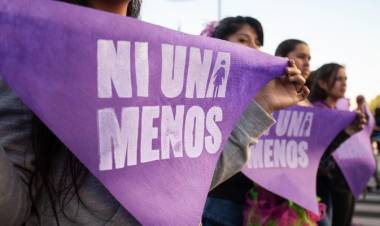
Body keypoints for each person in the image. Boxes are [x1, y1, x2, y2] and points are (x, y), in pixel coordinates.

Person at [0, 8, 308, 226]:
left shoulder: (163, 63)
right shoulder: (29, 49)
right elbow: (12, 210)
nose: (254, 49)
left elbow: (186, 181)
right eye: (243, 41)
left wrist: (264, 104)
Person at [201, 17, 309, 226]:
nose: (253, 48)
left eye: (257, 43)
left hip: (251, 204)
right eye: (243, 40)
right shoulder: (201, 92)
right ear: (217, 42)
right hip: (219, 202)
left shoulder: (262, 90)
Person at [309, 63, 366, 226]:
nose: (344, 83)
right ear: (321, 83)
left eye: (345, 79)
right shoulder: (317, 111)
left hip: (342, 182)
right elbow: (318, 149)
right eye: (338, 79)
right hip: (321, 185)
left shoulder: (340, 111)